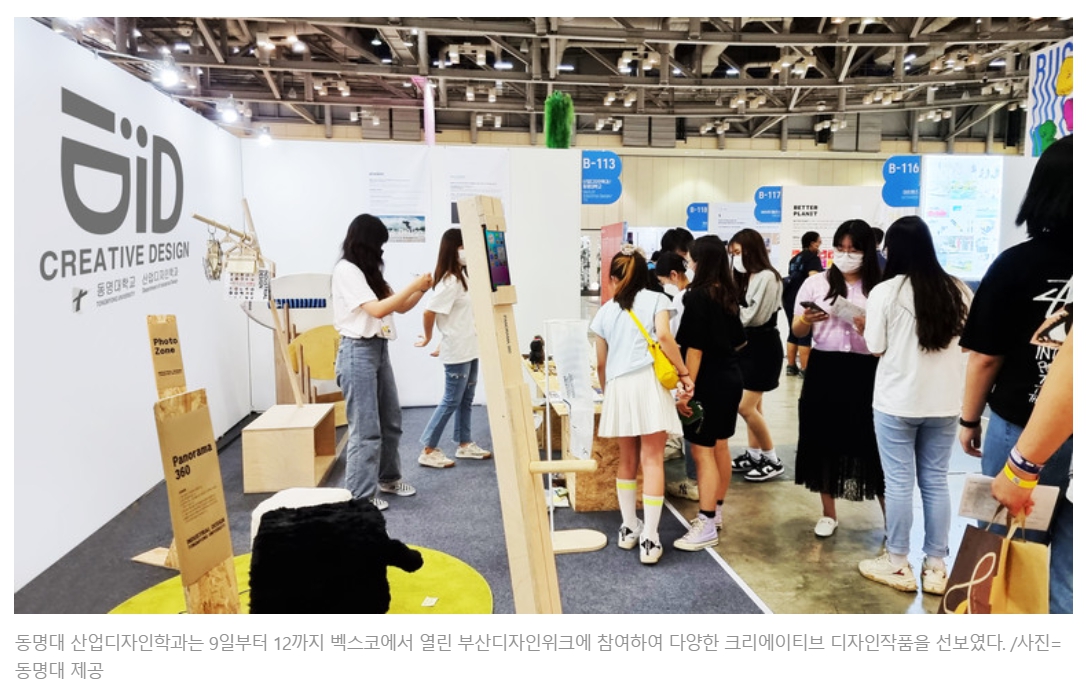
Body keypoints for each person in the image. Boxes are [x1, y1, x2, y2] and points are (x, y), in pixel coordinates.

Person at [958, 134, 1073, 614]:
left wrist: (968, 421)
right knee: (1069, 564)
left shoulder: (1016, 264)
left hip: (1022, 429)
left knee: (1005, 548)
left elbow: (985, 357)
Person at [858, 216, 972, 595]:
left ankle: (897, 562)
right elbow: (968, 345)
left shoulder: (886, 291)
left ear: (892, 250)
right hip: (945, 402)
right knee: (936, 481)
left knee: (899, 483)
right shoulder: (959, 289)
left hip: (897, 401)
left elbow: (875, 346)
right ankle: (936, 567)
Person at [590, 245, 694, 564]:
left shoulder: (605, 311)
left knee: (627, 458)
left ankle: (628, 528)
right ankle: (650, 537)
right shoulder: (658, 300)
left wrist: (608, 392)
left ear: (613, 278)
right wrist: (683, 372)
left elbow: (601, 363)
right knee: (652, 460)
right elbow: (664, 336)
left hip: (619, 386)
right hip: (649, 384)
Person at [791, 219, 885, 537]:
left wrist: (868, 326)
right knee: (822, 438)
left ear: (867, 251)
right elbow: (797, 329)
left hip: (866, 370)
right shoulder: (817, 284)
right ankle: (828, 513)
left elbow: (890, 335)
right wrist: (807, 318)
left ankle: (892, 520)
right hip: (825, 368)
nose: (846, 255)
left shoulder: (880, 287)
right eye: (841, 248)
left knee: (872, 441)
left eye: (854, 249)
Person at [332, 214, 432, 510]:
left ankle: (388, 478)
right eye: (379, 244)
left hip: (378, 349)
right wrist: (413, 284)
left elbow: (399, 306)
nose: (381, 250)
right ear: (367, 242)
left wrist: (422, 289)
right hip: (357, 351)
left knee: (390, 420)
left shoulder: (370, 272)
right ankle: (360, 496)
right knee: (365, 429)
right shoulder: (346, 270)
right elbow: (377, 310)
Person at [673, 236, 747, 551]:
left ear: (700, 261)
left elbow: (695, 350)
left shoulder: (697, 297)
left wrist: (687, 387)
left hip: (707, 382)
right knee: (720, 447)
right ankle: (714, 513)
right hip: (730, 378)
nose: (688, 263)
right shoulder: (728, 294)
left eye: (690, 258)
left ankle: (705, 523)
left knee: (702, 452)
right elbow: (741, 341)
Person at [414, 228, 492, 468]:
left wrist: (440, 339)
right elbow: (429, 312)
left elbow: (458, 316)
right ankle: (428, 449)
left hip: (470, 347)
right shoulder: (449, 281)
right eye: (463, 246)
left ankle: (464, 443)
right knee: (451, 400)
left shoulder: (463, 277)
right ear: (454, 249)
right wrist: (429, 337)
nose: (467, 251)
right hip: (458, 350)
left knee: (466, 399)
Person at [727, 229, 786, 482]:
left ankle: (772, 459)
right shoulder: (744, 276)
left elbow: (754, 316)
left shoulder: (768, 277)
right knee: (755, 406)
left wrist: (725, 317)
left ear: (751, 250)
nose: (736, 258)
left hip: (763, 347)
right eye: (733, 254)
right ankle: (754, 454)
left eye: (738, 252)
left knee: (745, 406)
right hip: (746, 346)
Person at [656, 251, 699, 502]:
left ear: (673, 275)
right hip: (698, 365)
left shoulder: (682, 299)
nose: (664, 286)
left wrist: (681, 373)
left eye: (663, 281)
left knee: (691, 419)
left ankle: (694, 482)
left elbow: (670, 338)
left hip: (687, 364)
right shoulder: (701, 293)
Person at [782, 231, 824, 377]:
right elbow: (813, 278)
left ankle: (791, 366)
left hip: (788, 297)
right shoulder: (813, 258)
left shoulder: (794, 259)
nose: (820, 244)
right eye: (819, 241)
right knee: (805, 333)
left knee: (793, 331)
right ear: (812, 243)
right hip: (804, 300)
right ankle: (805, 369)